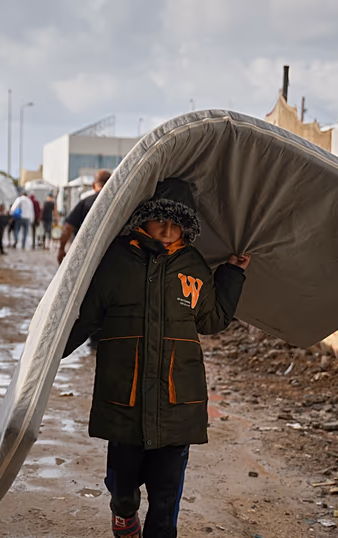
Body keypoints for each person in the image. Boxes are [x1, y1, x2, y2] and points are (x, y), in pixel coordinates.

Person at [61, 178, 251, 538]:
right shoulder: (116, 259)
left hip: (177, 400)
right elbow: (86, 317)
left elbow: (211, 320)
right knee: (121, 487)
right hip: (125, 397)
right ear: (142, 220)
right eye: (159, 219)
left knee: (166, 500)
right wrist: (49, 356)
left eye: (175, 222)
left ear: (186, 226)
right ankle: (123, 512)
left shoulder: (192, 265)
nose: (166, 229)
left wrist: (232, 274)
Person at [57, 169, 109, 264]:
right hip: (111, 255)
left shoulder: (85, 203)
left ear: (94, 185)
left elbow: (67, 228)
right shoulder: (119, 205)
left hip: (85, 256)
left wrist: (61, 249)